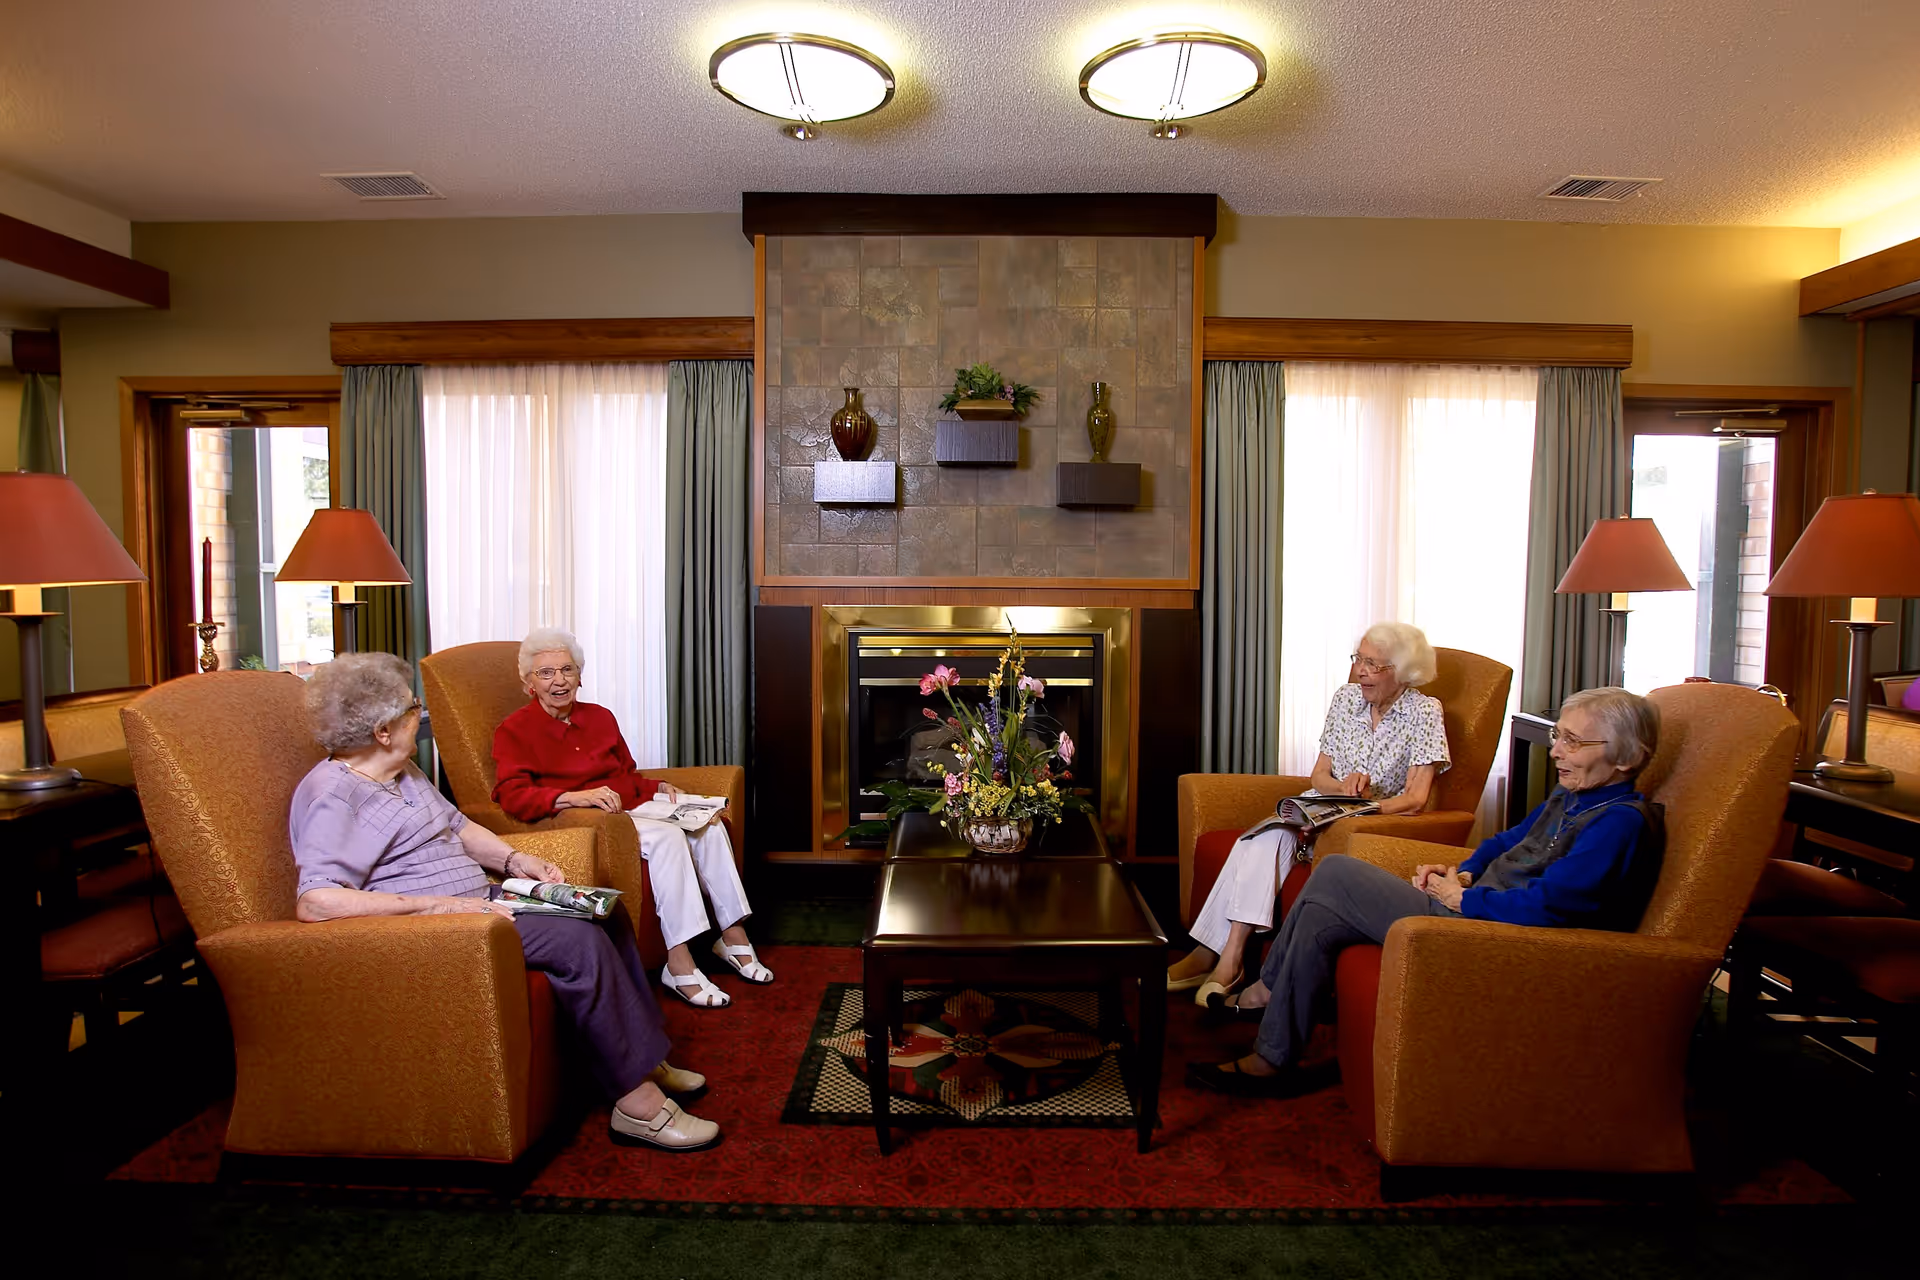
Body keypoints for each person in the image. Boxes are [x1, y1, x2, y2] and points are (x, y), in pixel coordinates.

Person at [289, 653, 719, 1150]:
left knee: (604, 910)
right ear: (383, 731)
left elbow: (458, 827)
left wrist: (516, 860)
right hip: (438, 925)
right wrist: (439, 909)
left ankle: (644, 1058)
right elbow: (317, 902)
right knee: (578, 941)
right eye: (413, 710)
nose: (421, 716)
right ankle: (638, 1108)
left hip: (480, 900)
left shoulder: (402, 772)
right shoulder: (335, 795)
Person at [1187, 686, 1665, 1096]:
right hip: (1478, 908)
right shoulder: (1573, 795)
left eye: (1573, 741)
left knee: (1334, 874)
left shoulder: (1618, 824)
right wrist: (1465, 872)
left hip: (1497, 937)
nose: (1556, 750)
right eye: (1558, 735)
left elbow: (1550, 907)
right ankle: (1273, 1044)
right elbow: (1504, 842)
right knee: (1323, 912)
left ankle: (1268, 1006)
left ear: (1625, 756)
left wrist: (1462, 899)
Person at [1168, 622, 1451, 1007]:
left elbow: (1417, 798)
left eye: (1372, 664)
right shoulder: (1346, 699)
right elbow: (1319, 775)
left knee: (1259, 842)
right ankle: (1224, 955)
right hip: (1323, 805)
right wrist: (1342, 788)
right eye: (1359, 660)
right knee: (1260, 837)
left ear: (1401, 671)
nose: (1360, 671)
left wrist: (1365, 805)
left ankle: (1217, 955)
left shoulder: (1425, 712)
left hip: (1367, 824)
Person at [492, 626, 770, 1009]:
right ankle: (679, 961)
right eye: (546, 673)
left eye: (567, 670)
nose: (559, 680)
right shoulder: (514, 730)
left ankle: (733, 935)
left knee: (709, 824)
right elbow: (511, 795)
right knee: (670, 839)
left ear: (580, 675)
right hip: (588, 821)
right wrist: (575, 797)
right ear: (529, 683)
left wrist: (658, 786)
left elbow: (626, 775)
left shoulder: (600, 717)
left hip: (628, 807)